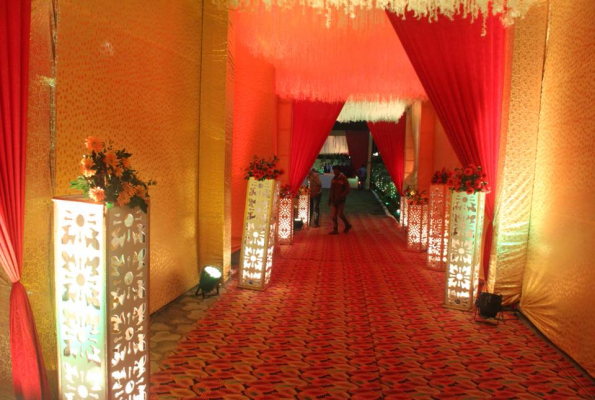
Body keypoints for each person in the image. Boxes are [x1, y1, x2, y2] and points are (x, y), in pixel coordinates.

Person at [328, 165, 352, 234]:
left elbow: (347, 189)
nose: (335, 172)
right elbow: (331, 190)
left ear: (339, 171)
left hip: (341, 200)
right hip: (333, 200)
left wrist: (341, 196)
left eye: (336, 170)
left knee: (340, 214)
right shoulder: (333, 179)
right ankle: (335, 229)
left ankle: (347, 225)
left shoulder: (343, 178)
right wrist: (329, 199)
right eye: (334, 170)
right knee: (333, 216)